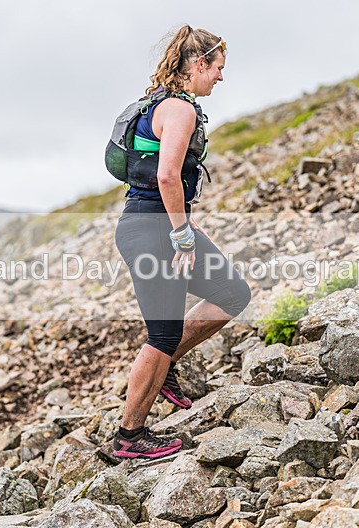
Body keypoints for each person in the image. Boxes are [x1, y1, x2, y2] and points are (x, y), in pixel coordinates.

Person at [112, 25, 252, 459]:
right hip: (154, 231)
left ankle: (166, 364)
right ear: (198, 63)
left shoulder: (162, 102)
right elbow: (167, 176)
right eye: (218, 68)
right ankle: (129, 437)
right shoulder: (179, 109)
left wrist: (186, 227)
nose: (221, 77)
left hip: (153, 224)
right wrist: (182, 236)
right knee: (162, 332)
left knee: (233, 293)